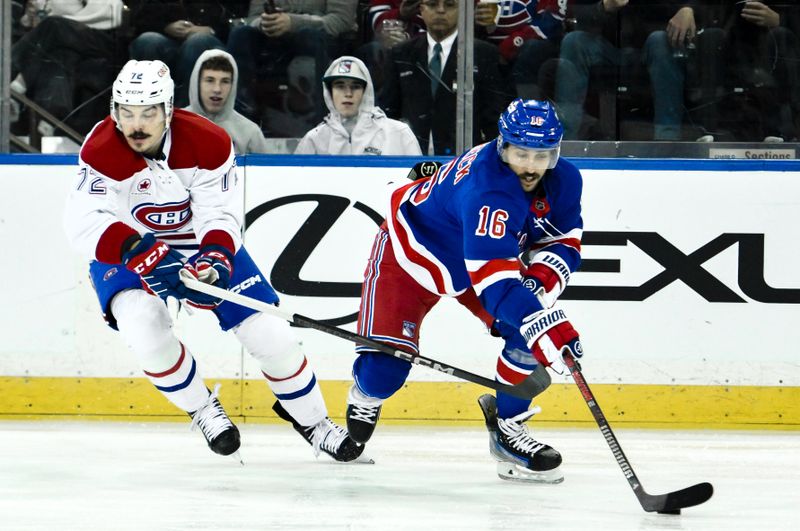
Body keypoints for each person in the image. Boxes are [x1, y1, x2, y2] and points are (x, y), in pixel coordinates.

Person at [63, 60, 363, 463]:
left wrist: (216, 259)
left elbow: (218, 215)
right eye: (126, 113)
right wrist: (142, 251)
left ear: (169, 109)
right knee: (144, 329)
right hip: (128, 250)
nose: (136, 125)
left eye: (148, 112)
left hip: (197, 244)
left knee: (272, 336)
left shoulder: (209, 141)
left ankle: (314, 423)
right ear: (114, 111)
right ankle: (203, 409)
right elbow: (82, 222)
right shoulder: (100, 149)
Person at [343, 99, 585, 483]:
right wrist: (541, 319)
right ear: (503, 146)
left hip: (478, 259)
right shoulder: (488, 190)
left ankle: (508, 432)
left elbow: (564, 242)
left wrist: (537, 292)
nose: (530, 166)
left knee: (525, 332)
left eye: (542, 155)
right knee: (384, 372)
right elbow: (494, 285)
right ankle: (364, 395)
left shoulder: (565, 181)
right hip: (413, 251)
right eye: (521, 153)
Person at [553, 0, 699, 140]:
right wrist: (603, 7)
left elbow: (700, 5)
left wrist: (688, 8)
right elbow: (579, 14)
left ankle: (668, 139)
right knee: (573, 41)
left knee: (660, 41)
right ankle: (565, 139)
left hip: (651, 48)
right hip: (605, 48)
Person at [379, 0, 509, 156]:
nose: (440, 11)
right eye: (433, 4)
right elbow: (388, 112)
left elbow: (494, 115)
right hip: (409, 162)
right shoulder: (400, 53)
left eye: (449, 5)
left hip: (466, 162)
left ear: (462, 10)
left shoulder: (484, 54)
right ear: (421, 9)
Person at [227, 0, 358, 136]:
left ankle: (320, 130)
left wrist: (293, 23)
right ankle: (241, 124)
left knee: (309, 36)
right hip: (272, 39)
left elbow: (341, 20)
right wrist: (266, 23)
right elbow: (254, 17)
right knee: (240, 35)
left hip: (323, 38)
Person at [10, 0, 127, 135]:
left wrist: (64, 22)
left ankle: (13, 79)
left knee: (53, 25)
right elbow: (33, 19)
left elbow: (111, 13)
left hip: (102, 39)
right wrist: (30, 18)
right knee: (60, 55)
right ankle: (48, 120)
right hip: (65, 40)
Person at [127, 1, 248, 107]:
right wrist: (165, 26)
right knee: (149, 40)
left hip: (210, 39)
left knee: (197, 41)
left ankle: (185, 111)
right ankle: (150, 108)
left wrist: (211, 29)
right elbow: (138, 14)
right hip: (166, 39)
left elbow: (236, 16)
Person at [294, 56, 422, 155]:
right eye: (340, 86)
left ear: (366, 92)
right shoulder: (314, 139)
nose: (348, 93)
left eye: (355, 87)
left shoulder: (398, 133)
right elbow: (296, 182)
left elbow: (421, 181)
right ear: (329, 92)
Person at [184, 50, 269, 154]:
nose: (217, 89)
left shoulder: (250, 133)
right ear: (197, 83)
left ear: (233, 85)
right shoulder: (173, 126)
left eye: (225, 81)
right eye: (210, 80)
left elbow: (264, 169)